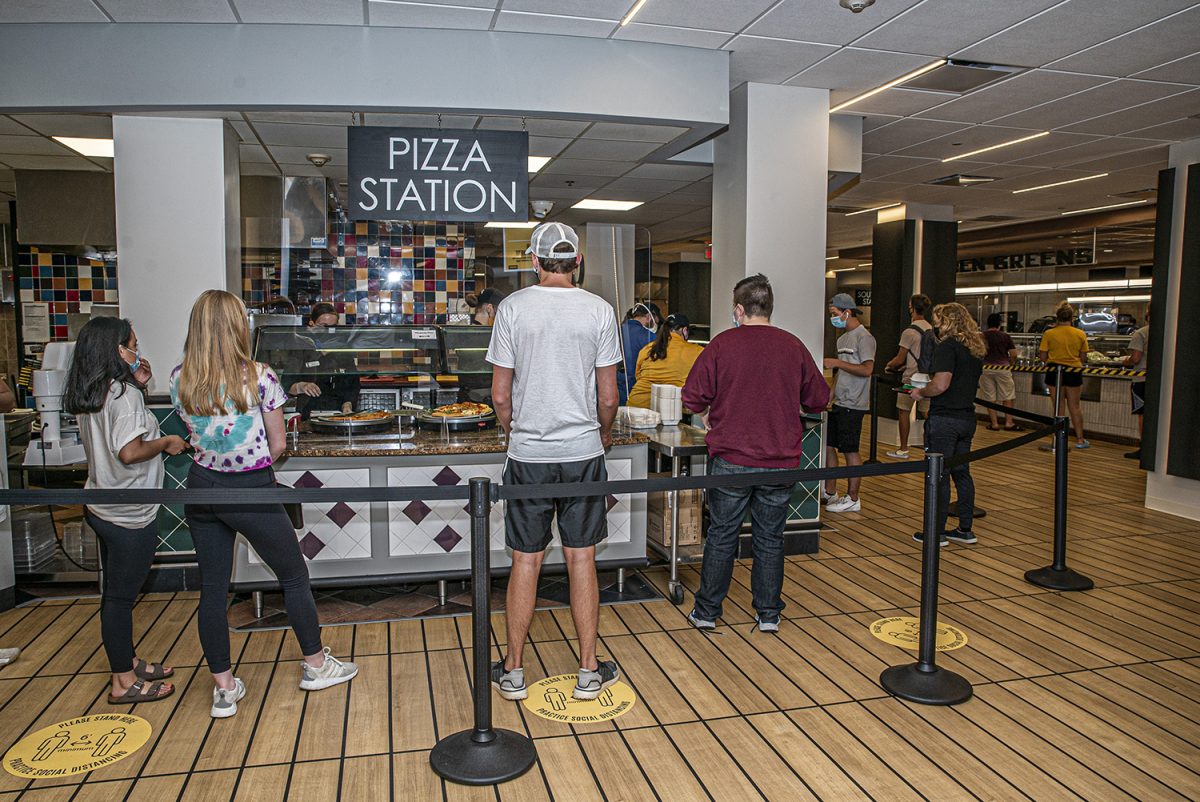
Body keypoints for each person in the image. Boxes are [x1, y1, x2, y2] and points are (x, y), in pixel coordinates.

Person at [172, 290, 357, 719]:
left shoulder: (179, 378)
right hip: (252, 488)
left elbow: (196, 438)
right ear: (238, 327)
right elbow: (277, 446)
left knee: (213, 590)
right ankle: (315, 665)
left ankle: (223, 688)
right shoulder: (260, 377)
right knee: (293, 576)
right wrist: (249, 461)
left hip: (201, 489)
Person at [486, 222, 623, 703]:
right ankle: (589, 671)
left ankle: (513, 670)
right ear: (578, 262)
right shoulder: (600, 310)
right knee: (581, 557)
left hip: (528, 456)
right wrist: (602, 432)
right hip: (583, 454)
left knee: (526, 560)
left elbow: (500, 394)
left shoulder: (512, 308)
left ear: (535, 262)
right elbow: (609, 396)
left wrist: (514, 431)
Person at [682, 275, 829, 632]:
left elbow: (692, 397)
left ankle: (707, 612)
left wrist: (708, 415)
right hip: (780, 459)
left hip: (731, 457)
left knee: (721, 534)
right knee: (769, 537)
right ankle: (768, 613)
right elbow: (818, 399)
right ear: (769, 308)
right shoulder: (792, 346)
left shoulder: (721, 345)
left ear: (739, 309)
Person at [64, 317, 187, 705]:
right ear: (119, 350)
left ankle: (128, 661)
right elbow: (129, 452)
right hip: (129, 511)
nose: (138, 349)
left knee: (115, 595)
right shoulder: (124, 396)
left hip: (101, 503)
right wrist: (166, 441)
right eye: (133, 344)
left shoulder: (96, 391)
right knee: (119, 599)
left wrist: (139, 383)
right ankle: (122, 681)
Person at [908, 303, 985, 546]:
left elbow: (941, 384)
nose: (936, 326)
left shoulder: (947, 347)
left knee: (938, 476)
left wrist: (922, 392)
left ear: (947, 322)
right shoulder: (975, 349)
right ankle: (965, 528)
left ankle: (936, 531)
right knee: (962, 473)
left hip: (944, 419)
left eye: (938, 320)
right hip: (966, 417)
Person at [823, 293, 876, 513]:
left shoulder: (865, 338)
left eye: (835, 314)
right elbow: (839, 372)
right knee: (829, 445)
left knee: (850, 449)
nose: (833, 318)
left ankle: (853, 496)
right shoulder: (841, 339)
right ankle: (830, 490)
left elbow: (867, 369)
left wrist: (837, 363)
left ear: (847, 312)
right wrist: (830, 395)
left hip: (854, 403)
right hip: (840, 401)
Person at [284, 303, 361, 420]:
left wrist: (347, 404)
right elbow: (286, 384)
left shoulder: (341, 348)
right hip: (307, 412)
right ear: (312, 323)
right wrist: (301, 386)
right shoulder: (301, 347)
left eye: (333, 326)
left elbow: (352, 384)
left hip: (338, 414)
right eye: (322, 326)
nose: (328, 331)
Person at [883, 294, 932, 459]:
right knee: (928, 414)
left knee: (904, 411)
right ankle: (930, 449)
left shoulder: (909, 332)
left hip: (910, 379)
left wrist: (889, 366)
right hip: (927, 379)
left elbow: (900, 357)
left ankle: (903, 448)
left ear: (911, 308)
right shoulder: (930, 328)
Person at [1038, 301, 1090, 449]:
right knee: (1075, 406)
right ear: (1072, 318)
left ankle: (1059, 438)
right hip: (1074, 371)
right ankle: (1080, 439)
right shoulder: (1080, 334)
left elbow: (1043, 357)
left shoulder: (1049, 333)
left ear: (1057, 317)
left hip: (1054, 371)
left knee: (1058, 406)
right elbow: (1084, 357)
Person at [627, 313, 704, 409]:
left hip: (637, 405)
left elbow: (638, 376)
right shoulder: (697, 351)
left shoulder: (647, 349)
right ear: (684, 330)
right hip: (669, 410)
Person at [981, 313, 1020, 431]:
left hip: (985, 368)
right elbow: (1013, 354)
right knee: (1007, 395)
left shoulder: (981, 336)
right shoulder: (1005, 336)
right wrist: (1011, 363)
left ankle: (994, 424)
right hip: (1003, 368)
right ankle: (1009, 422)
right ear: (999, 324)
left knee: (990, 397)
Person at [1123, 306, 1150, 460]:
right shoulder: (1168, 331)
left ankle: (1144, 448)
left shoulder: (1141, 333)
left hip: (1141, 379)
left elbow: (1136, 358)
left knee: (1142, 414)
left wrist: (1126, 361)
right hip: (1160, 380)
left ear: (1147, 314)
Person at [618, 302, 656, 405]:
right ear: (649, 317)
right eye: (654, 321)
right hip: (634, 386)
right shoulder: (649, 336)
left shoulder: (616, 330)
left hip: (612, 382)